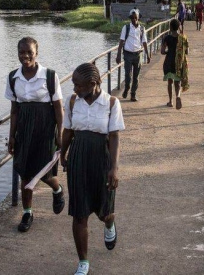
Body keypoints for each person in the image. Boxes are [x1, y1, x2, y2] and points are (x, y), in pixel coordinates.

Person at [60, 63, 125, 275]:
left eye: (78, 85)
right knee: (79, 213)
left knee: (104, 211)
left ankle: (109, 223)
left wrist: (113, 169)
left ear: (93, 84)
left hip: (102, 159)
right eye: (74, 84)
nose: (75, 89)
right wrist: (63, 153)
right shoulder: (72, 102)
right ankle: (83, 262)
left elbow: (114, 136)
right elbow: (68, 131)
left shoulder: (112, 103)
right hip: (78, 158)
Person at [5, 36, 65, 232]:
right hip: (24, 130)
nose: (25, 56)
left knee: (45, 173)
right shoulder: (13, 77)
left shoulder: (49, 76)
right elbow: (14, 110)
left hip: (45, 130)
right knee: (24, 172)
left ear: (36, 53)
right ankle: (27, 213)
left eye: (29, 52)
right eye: (22, 52)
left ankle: (57, 189)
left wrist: (60, 133)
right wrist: (12, 136)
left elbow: (58, 108)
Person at [116, 8, 150, 102]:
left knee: (136, 76)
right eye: (132, 18)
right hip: (128, 54)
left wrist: (147, 54)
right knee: (128, 75)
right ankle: (127, 88)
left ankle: (133, 94)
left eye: (135, 17)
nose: (134, 19)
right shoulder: (126, 28)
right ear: (130, 18)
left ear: (138, 18)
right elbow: (121, 42)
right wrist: (118, 55)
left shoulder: (142, 29)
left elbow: (144, 42)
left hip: (138, 54)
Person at [160, 19, 190, 110]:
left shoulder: (167, 38)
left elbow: (162, 51)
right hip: (178, 64)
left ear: (170, 27)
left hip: (169, 62)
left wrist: (167, 52)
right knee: (177, 82)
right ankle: (178, 96)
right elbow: (187, 51)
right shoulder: (183, 38)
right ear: (178, 27)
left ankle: (170, 101)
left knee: (170, 82)